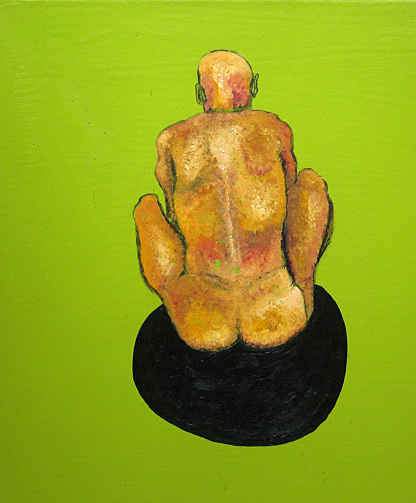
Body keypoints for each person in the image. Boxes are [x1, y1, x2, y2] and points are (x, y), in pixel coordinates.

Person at [134, 50, 333, 350]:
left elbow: (173, 216)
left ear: (200, 93)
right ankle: (303, 287)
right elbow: (292, 195)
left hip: (202, 312)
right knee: (311, 182)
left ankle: (174, 293)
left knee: (147, 206)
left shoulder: (171, 139)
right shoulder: (275, 128)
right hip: (276, 305)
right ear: (252, 88)